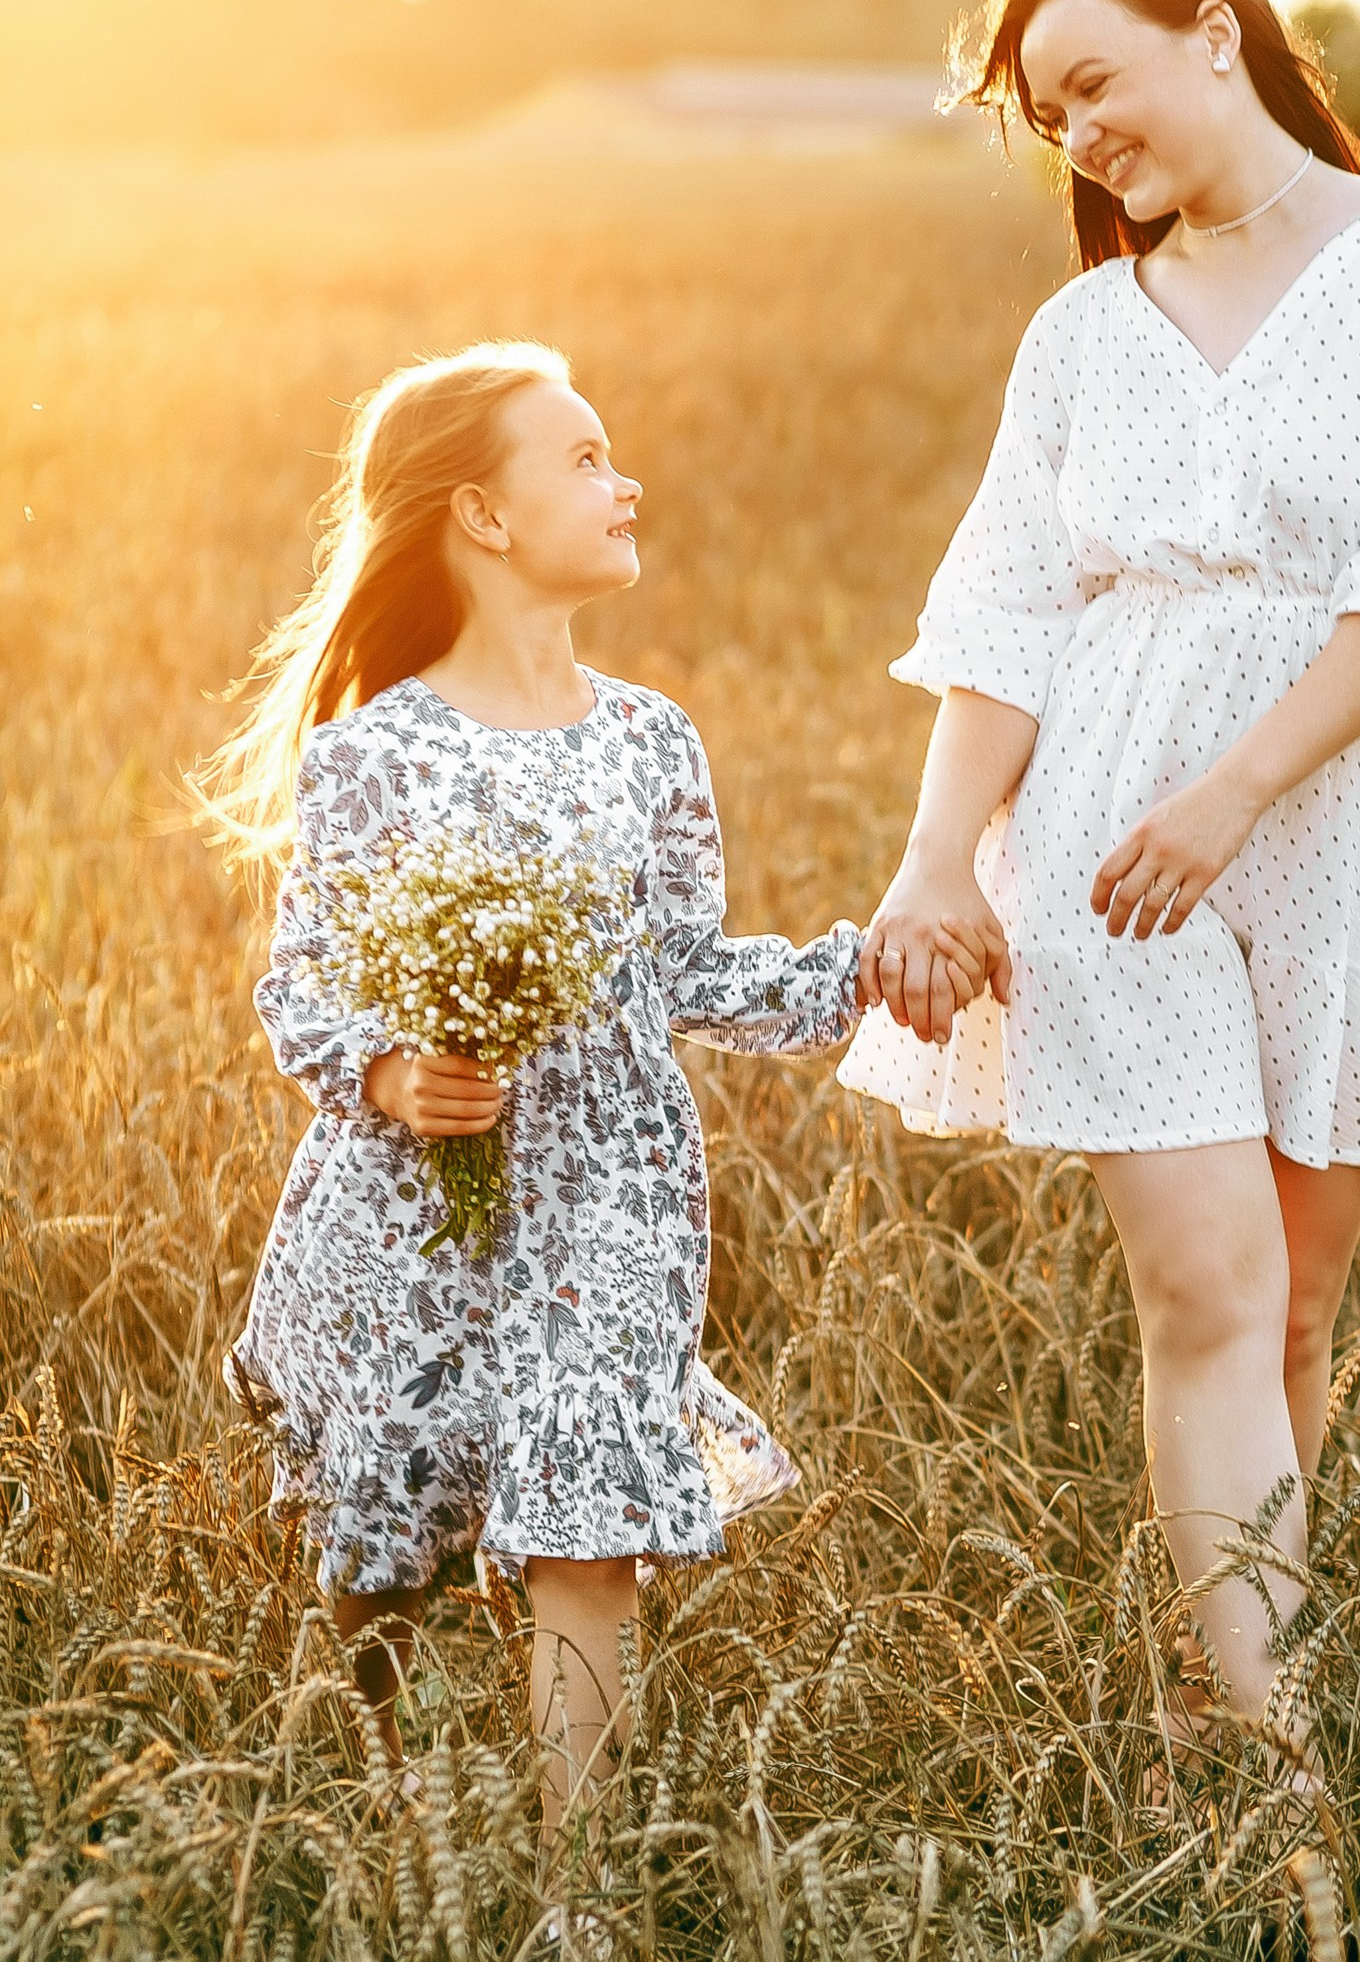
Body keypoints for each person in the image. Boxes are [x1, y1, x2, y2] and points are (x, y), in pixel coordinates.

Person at [840, 0, 1360, 1766]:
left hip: (1358, 825)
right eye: (1052, 117)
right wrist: (940, 855)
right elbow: (1006, 616)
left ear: (1215, 33)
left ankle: (1223, 1684)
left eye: (1095, 82)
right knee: (1204, 1286)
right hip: (1114, 846)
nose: (1082, 138)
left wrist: (1242, 787)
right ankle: (1271, 1748)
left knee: (1295, 1300)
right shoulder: (1084, 335)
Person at [197, 342, 939, 1845]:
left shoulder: (651, 739)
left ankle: (574, 1887)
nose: (627, 482)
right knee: (384, 1542)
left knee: (587, 1513)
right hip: (411, 1207)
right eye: (586, 459)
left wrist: (878, 964)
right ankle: (359, 1818)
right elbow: (303, 988)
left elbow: (679, 968)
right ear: (480, 513)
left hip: (613, 1192)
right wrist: (395, 1071)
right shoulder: (374, 753)